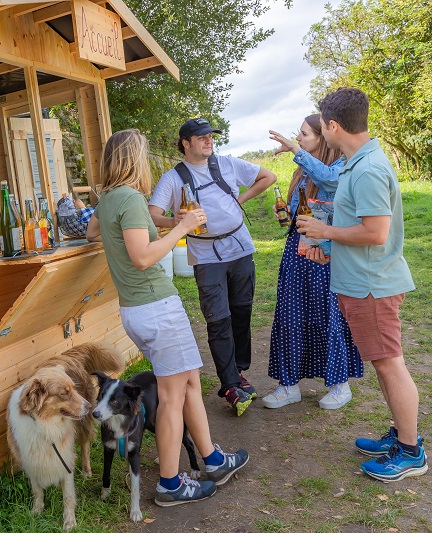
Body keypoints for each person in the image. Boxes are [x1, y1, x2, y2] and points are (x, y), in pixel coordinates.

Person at [86, 129, 249, 505]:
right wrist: (182, 228)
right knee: (173, 398)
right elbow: (142, 257)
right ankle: (170, 484)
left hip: (138, 309)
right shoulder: (129, 197)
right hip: (157, 309)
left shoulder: (109, 199)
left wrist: (164, 222)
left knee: (189, 382)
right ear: (134, 160)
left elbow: (95, 231)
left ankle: (213, 460)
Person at [298, 87, 426, 482]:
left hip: (373, 286)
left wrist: (324, 231)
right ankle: (401, 436)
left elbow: (375, 233)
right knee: (385, 365)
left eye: (323, 125)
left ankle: (410, 452)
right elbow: (359, 226)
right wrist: (329, 247)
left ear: (333, 126)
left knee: (390, 365)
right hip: (362, 281)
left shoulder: (367, 168)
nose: (323, 131)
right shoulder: (359, 162)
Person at [148, 118, 277, 416]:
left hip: (240, 248)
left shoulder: (228, 164)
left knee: (241, 311)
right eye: (201, 137)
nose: (209, 141)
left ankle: (239, 371)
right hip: (206, 257)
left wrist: (239, 200)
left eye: (211, 136)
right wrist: (174, 221)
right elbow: (152, 214)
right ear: (186, 143)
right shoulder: (173, 178)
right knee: (218, 319)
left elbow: (267, 176)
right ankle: (230, 384)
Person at [262, 114, 363, 410]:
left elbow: (329, 180)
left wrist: (295, 150)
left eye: (304, 134)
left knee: (328, 314)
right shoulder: (303, 172)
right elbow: (302, 213)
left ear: (322, 138)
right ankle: (289, 385)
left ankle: (340, 385)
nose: (299, 138)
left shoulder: (340, 166)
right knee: (290, 314)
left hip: (325, 251)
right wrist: (286, 213)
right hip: (297, 250)